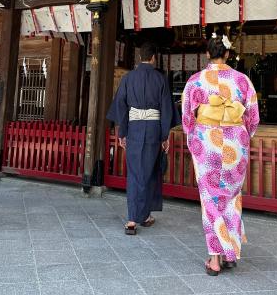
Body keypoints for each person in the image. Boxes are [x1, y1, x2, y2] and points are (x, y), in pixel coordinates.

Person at [181, 33, 259, 276]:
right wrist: (244, 137)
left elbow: (187, 118)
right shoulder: (242, 80)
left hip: (207, 144)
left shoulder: (195, 81)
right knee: (231, 196)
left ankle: (215, 258)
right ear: (227, 54)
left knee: (210, 198)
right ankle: (230, 251)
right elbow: (253, 117)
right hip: (236, 143)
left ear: (207, 54)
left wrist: (193, 140)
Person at [106, 42, 179, 235]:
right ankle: (144, 216)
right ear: (153, 58)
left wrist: (122, 133)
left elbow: (121, 106)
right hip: (154, 130)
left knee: (135, 173)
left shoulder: (128, 78)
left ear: (140, 58)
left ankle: (133, 219)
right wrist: (165, 135)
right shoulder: (160, 79)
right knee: (150, 172)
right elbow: (166, 109)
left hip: (134, 129)